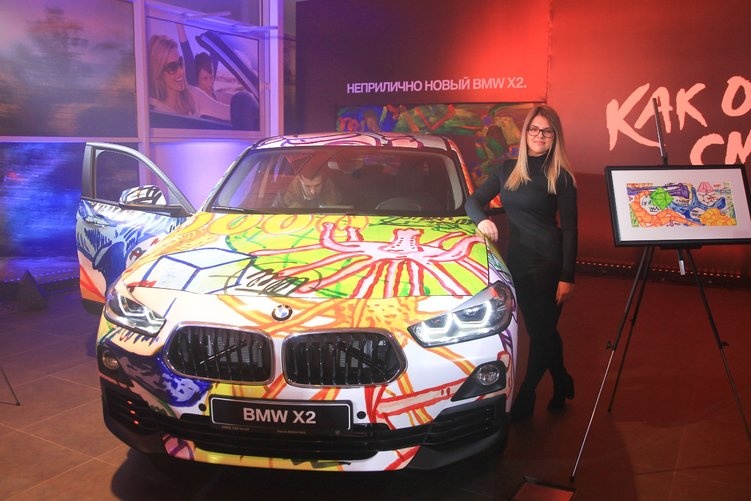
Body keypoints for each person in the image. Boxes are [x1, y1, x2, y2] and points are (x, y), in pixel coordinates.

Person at [464, 104, 578, 422]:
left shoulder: (561, 176)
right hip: (517, 262)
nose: (540, 136)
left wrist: (568, 276)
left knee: (541, 332)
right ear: (526, 132)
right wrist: (482, 220)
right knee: (542, 330)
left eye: (547, 131)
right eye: (535, 129)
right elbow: (472, 201)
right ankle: (562, 380)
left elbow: (571, 229)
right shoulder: (507, 169)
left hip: (549, 263)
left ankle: (527, 394)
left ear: (555, 137)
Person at [147, 34, 230, 122]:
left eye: (180, 63)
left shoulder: (193, 96)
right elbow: (187, 51)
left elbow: (228, 113)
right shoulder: (153, 112)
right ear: (159, 72)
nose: (181, 71)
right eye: (172, 67)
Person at [274, 164, 342, 208]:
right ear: (300, 180)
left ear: (323, 181)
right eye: (307, 186)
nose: (313, 191)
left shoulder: (335, 195)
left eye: (317, 185)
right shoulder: (282, 197)